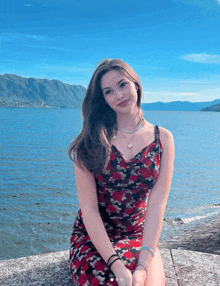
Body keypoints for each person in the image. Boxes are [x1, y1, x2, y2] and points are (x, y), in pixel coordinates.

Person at [68, 59, 174, 286]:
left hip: (138, 235)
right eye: (108, 91)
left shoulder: (163, 139)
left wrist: (143, 264)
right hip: (94, 238)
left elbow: (157, 205)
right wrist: (117, 266)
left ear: (136, 84)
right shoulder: (90, 142)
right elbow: (89, 209)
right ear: (103, 99)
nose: (118, 95)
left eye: (122, 84)